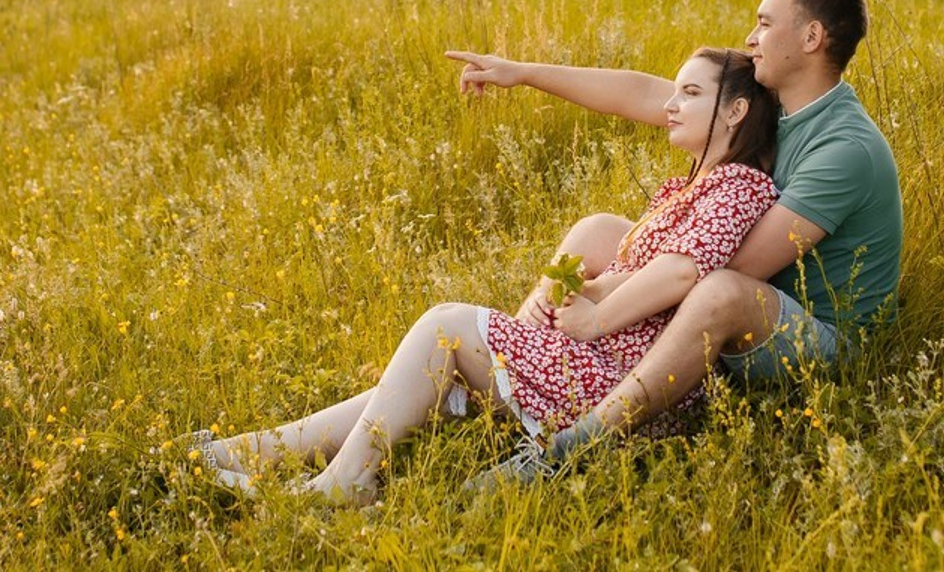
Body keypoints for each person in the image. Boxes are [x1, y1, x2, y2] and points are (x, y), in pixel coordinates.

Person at [183, 47, 777, 503]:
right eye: (673, 91)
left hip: (618, 386)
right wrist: (584, 289)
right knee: (416, 376)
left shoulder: (739, 185)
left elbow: (680, 272)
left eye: (689, 93)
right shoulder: (692, 186)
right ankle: (249, 451)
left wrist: (594, 316)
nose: (670, 104)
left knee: (446, 324)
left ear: (735, 110)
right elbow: (650, 267)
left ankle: (347, 482)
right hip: (595, 364)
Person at [459, 0, 903, 482]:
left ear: (811, 37)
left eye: (764, 23)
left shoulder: (843, 149)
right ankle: (515, 372)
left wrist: (601, 294)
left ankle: (569, 449)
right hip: (752, 300)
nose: (750, 37)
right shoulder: (779, 102)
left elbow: (735, 265)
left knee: (721, 290)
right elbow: (649, 95)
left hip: (821, 341)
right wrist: (522, 72)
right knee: (600, 230)